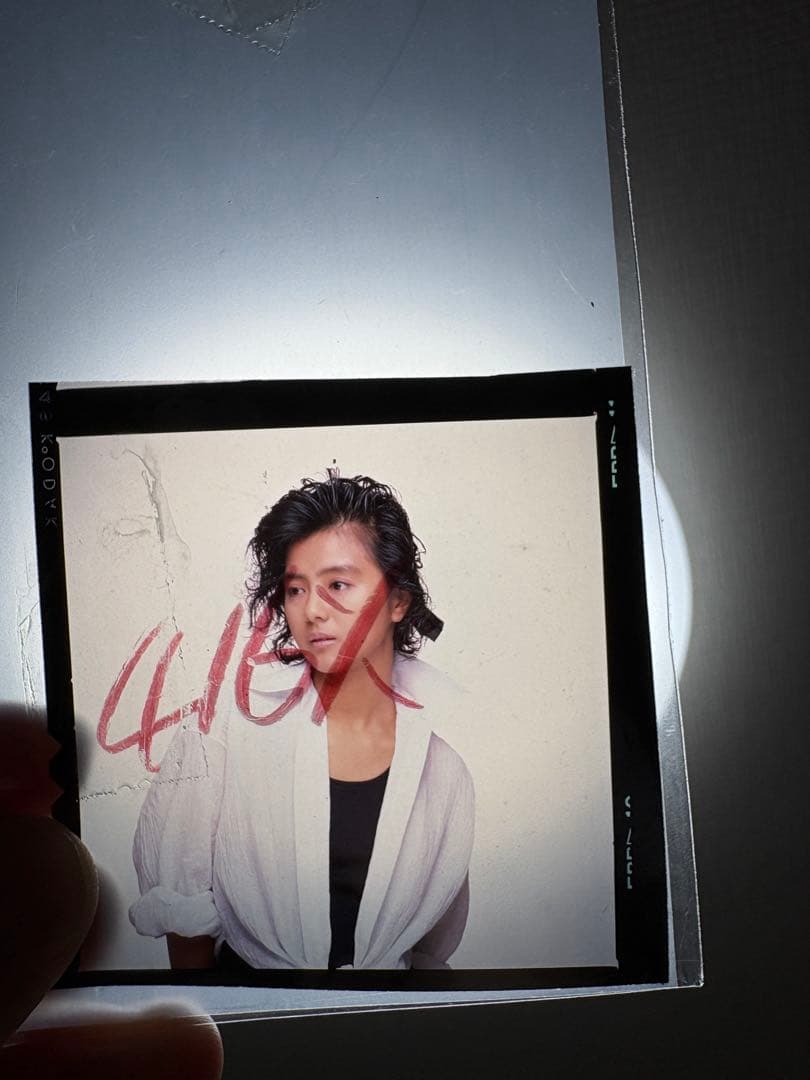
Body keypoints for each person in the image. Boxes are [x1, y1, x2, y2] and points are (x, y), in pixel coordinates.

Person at [129, 473, 474, 971]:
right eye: (295, 589)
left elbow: (429, 951)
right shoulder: (224, 726)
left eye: (337, 585)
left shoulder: (443, 773)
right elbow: (183, 917)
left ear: (398, 601)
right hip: (248, 1010)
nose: (312, 610)